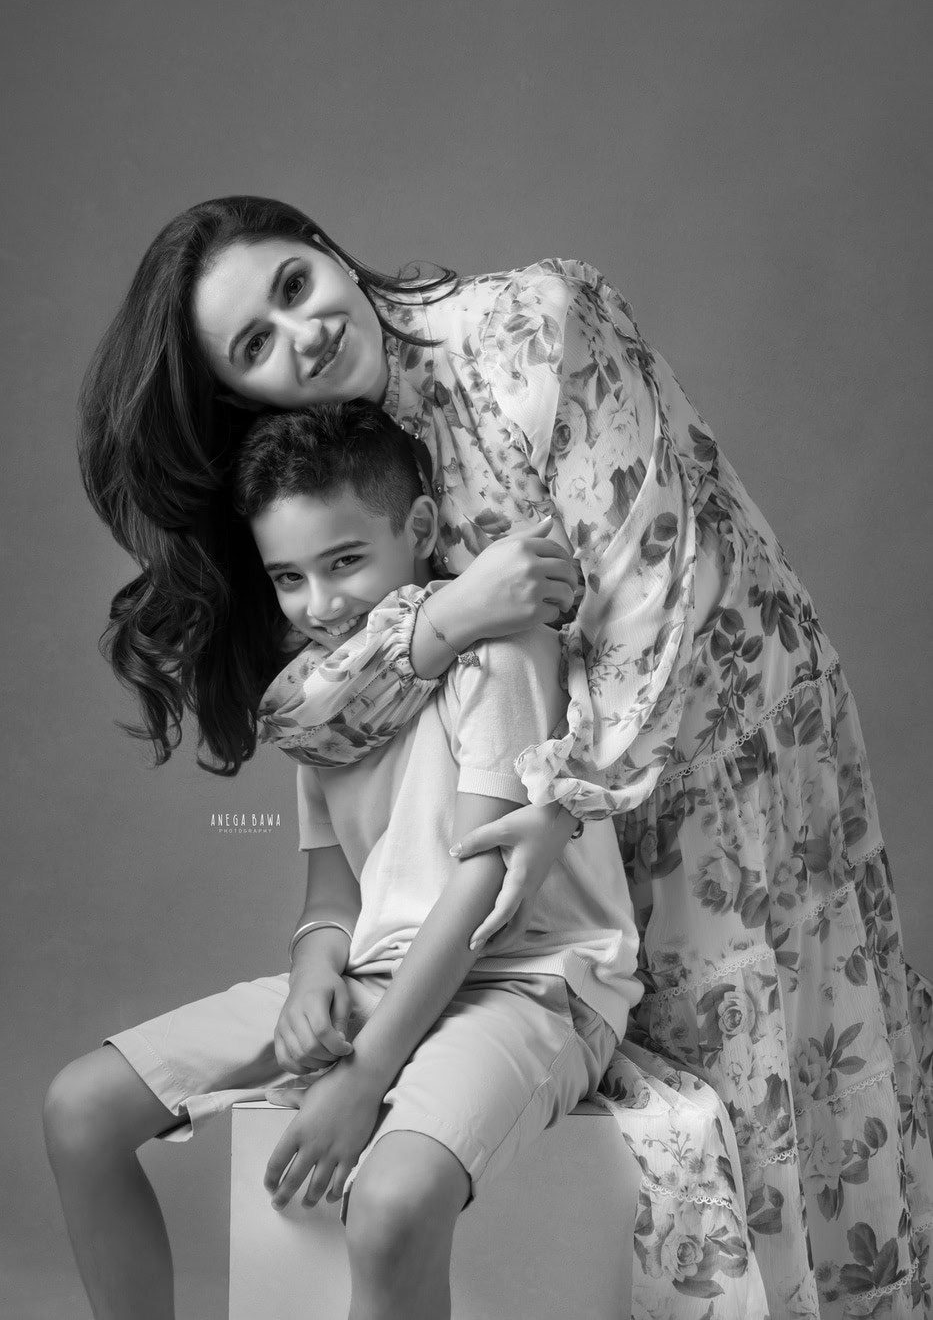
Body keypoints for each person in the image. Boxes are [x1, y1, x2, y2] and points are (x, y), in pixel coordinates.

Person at [69, 195, 933, 1318]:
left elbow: (649, 587)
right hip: (551, 796)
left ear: (327, 248)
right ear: (243, 391)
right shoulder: (329, 471)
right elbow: (305, 713)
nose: (305, 335)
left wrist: (564, 797)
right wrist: (449, 617)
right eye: (257, 346)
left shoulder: (537, 322)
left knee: (784, 1046)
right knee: (657, 1083)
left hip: (730, 728)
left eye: (294, 285)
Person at [45, 401, 651, 1320]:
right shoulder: (322, 698)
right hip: (379, 973)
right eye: (288, 577)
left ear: (415, 529)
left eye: (343, 563)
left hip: (525, 979)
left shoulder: (501, 648)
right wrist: (308, 972)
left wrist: (364, 1075)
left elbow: (481, 888)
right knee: (80, 1108)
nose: (319, 605)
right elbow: (331, 899)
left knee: (392, 1200)